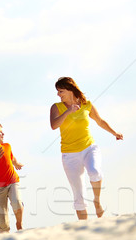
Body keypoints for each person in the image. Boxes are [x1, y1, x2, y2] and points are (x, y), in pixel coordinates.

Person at [49, 77, 123, 220]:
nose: (58, 94)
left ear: (70, 90)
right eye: (57, 92)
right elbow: (54, 125)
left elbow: (100, 121)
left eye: (61, 91)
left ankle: (97, 201)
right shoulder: (56, 107)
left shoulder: (86, 104)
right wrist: (68, 112)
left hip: (89, 148)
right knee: (79, 197)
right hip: (69, 155)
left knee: (95, 172)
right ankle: (84, 228)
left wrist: (114, 133)